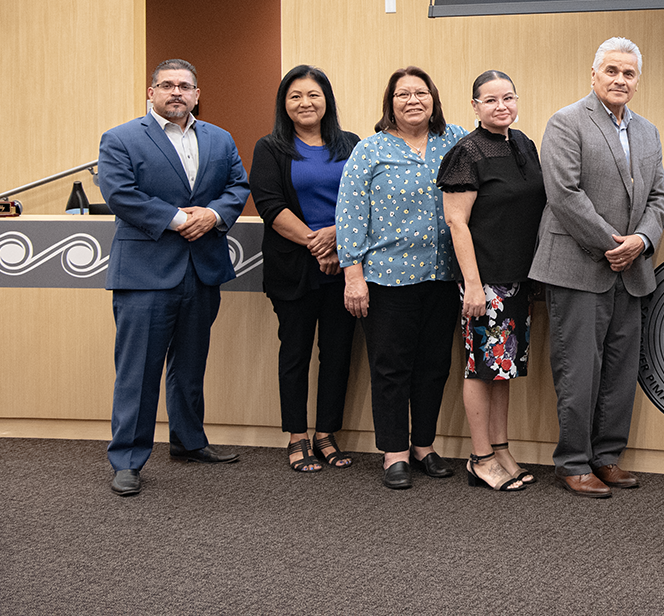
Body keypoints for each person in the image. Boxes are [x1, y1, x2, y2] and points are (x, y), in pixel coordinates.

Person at [97, 58, 251, 496]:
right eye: (166, 85)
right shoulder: (122, 138)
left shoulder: (219, 139)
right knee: (138, 371)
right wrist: (182, 218)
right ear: (151, 93)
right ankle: (127, 459)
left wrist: (215, 213)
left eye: (185, 86)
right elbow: (120, 194)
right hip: (145, 274)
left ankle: (188, 441)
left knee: (189, 365)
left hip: (202, 271)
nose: (176, 92)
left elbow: (238, 187)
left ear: (197, 94)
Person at [530, 37, 664, 498]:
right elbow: (565, 195)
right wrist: (615, 245)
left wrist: (642, 241)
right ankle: (573, 461)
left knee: (620, 370)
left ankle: (606, 457)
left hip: (629, 270)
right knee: (579, 369)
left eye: (628, 73)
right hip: (578, 266)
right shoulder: (567, 122)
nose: (620, 80)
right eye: (611, 71)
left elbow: (659, 198)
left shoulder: (647, 131)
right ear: (594, 75)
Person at [336, 67, 467, 490]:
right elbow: (351, 215)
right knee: (391, 367)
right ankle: (394, 451)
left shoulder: (456, 142)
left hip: (444, 274)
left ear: (434, 99)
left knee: (433, 366)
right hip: (387, 279)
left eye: (421, 92)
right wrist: (353, 275)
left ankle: (424, 446)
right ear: (390, 103)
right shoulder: (370, 150)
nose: (413, 100)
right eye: (403, 94)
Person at [438, 70, 547, 492]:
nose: (501, 107)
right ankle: (480, 458)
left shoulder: (523, 144)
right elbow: (456, 221)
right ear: (475, 106)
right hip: (484, 282)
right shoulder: (466, 152)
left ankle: (501, 449)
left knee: (503, 369)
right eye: (491, 100)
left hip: (518, 278)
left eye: (509, 98)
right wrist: (473, 285)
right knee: (481, 369)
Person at [249, 65, 361, 473]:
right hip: (293, 268)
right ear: (284, 103)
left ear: (326, 99)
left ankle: (327, 433)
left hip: (345, 269)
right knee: (294, 352)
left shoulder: (352, 144)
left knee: (337, 354)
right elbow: (270, 207)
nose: (305, 103)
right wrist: (318, 244)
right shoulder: (271, 148)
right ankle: (297, 436)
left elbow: (365, 203)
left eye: (313, 94)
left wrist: (336, 238)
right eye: (295, 96)